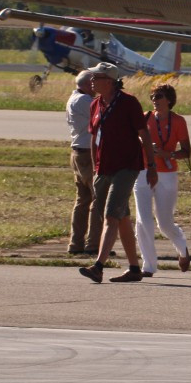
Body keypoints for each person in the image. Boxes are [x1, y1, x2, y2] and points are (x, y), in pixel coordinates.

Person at [78, 62, 158, 284]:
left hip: (127, 166)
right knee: (122, 217)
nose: (92, 80)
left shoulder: (128, 102)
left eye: (97, 77)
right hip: (104, 168)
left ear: (110, 81)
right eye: (92, 76)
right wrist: (95, 168)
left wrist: (151, 166)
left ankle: (98, 266)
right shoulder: (95, 104)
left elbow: (144, 134)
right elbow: (94, 138)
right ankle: (134, 268)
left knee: (111, 215)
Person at [134, 84, 191, 277]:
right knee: (143, 220)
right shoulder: (145, 117)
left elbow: (186, 152)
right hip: (143, 171)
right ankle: (148, 265)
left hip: (167, 174)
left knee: (164, 223)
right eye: (152, 97)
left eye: (158, 96)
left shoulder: (179, 121)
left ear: (169, 99)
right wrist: (143, 143)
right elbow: (132, 138)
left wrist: (168, 154)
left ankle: (182, 247)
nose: (154, 100)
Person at [66, 70, 102, 255]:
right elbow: (103, 115)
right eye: (95, 83)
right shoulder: (85, 101)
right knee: (98, 198)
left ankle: (76, 243)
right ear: (88, 85)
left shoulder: (74, 98)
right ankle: (94, 244)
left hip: (78, 152)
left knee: (83, 199)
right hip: (88, 153)